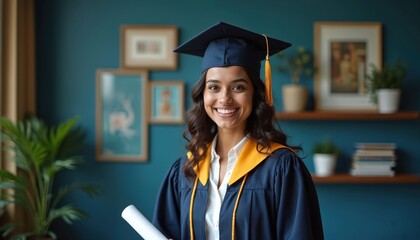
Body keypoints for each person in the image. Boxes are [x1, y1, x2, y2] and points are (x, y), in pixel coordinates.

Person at [153, 22, 324, 240]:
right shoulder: (186, 171)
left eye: (238, 87)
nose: (224, 98)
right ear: (202, 94)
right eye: (214, 87)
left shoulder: (280, 168)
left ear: (255, 94)